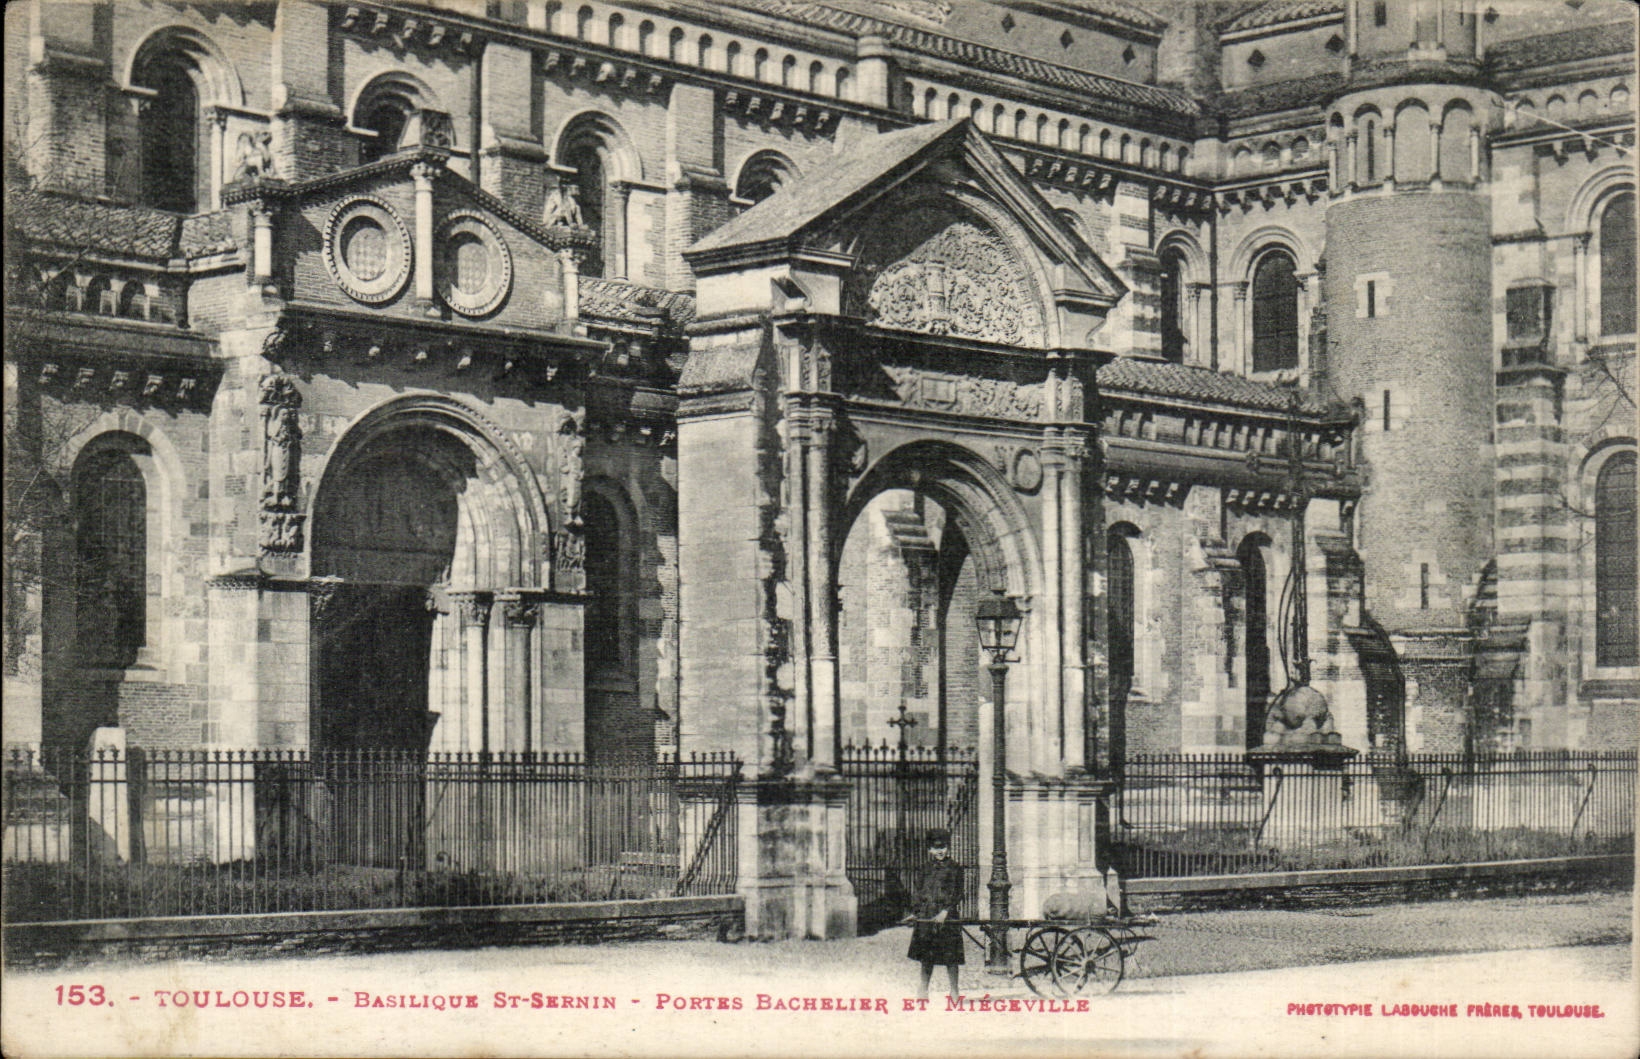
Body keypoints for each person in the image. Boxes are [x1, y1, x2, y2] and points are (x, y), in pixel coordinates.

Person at [906, 827, 964, 1001]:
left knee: (951, 957)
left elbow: (958, 893)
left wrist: (946, 911)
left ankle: (954, 990)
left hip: (948, 917)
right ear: (929, 850)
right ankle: (923, 990)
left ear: (948, 848)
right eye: (936, 847)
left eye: (943, 847)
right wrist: (915, 913)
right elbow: (918, 891)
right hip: (927, 916)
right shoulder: (924, 869)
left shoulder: (955, 868)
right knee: (926, 956)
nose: (940, 851)